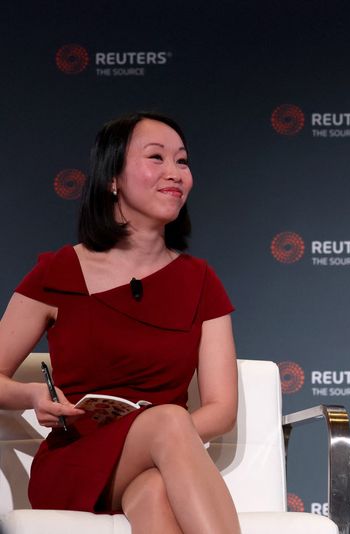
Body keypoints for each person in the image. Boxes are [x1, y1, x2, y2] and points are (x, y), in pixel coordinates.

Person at [0, 112, 241, 533]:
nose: (175, 173)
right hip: (77, 459)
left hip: (156, 459)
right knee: (168, 419)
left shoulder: (201, 280)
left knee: (153, 492)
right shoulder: (59, 271)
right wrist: (32, 394)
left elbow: (221, 410)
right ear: (112, 178)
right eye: (156, 158)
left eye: (182, 162)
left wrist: (156, 435)